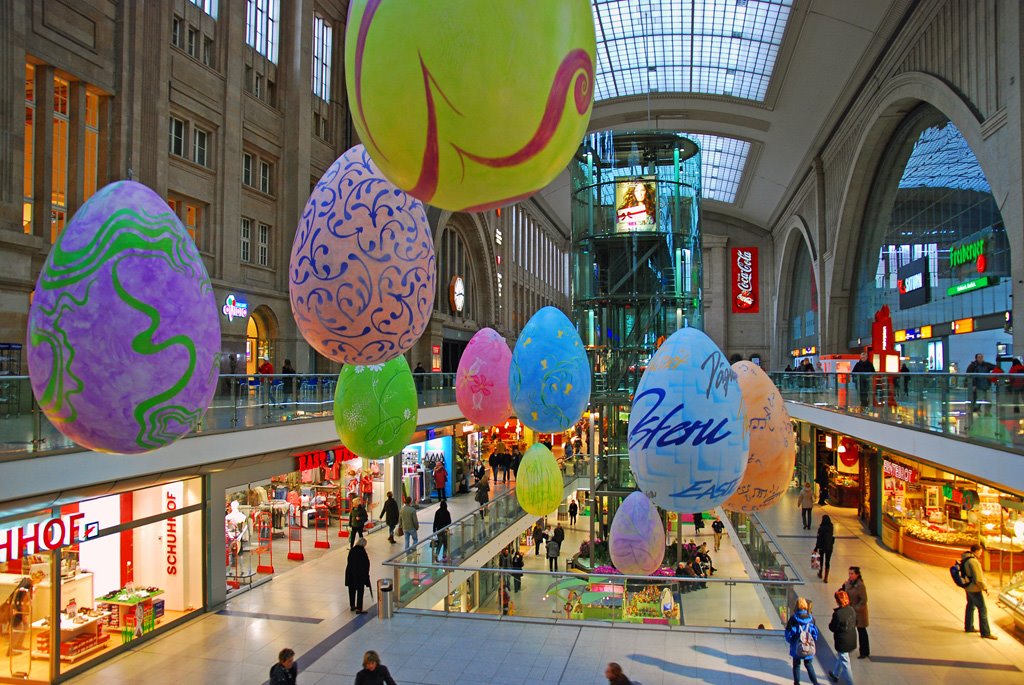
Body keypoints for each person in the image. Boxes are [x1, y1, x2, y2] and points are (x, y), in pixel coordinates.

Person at [962, 543, 998, 640]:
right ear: (976, 551)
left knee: (970, 606)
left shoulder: (966, 558)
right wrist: (985, 588)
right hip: (974, 588)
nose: (981, 554)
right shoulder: (974, 562)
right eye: (980, 552)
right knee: (982, 609)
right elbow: (978, 579)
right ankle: (985, 632)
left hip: (968, 587)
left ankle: (969, 626)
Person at [784, 597, 821, 685]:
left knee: (796, 665)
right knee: (809, 665)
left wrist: (791, 641)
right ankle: (815, 682)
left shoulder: (793, 619)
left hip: (796, 646)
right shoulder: (811, 619)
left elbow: (788, 634)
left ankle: (797, 683)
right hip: (808, 646)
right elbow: (815, 634)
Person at [827, 590, 857, 683]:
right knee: (842, 657)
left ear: (838, 601)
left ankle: (850, 682)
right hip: (851, 638)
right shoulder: (851, 609)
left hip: (842, 641)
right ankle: (836, 674)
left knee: (845, 663)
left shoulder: (838, 614)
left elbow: (832, 627)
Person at [842, 566, 870, 658]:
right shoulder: (848, 583)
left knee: (861, 631)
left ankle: (864, 652)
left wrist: (855, 609)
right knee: (849, 631)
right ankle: (848, 648)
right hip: (850, 611)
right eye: (849, 573)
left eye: (852, 573)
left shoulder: (860, 586)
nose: (850, 575)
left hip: (859, 613)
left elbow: (864, 600)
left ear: (857, 575)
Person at [344, 539, 371, 614]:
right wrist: (366, 576)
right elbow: (366, 564)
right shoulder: (362, 552)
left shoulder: (352, 550)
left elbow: (349, 560)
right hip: (359, 575)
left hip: (350, 573)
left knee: (351, 590)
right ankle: (359, 608)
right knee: (360, 591)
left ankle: (352, 605)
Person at [814, 515, 835, 583]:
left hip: (822, 546)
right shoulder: (831, 527)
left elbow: (819, 538)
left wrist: (816, 547)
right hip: (829, 546)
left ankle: (820, 573)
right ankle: (826, 577)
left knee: (821, 560)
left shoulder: (821, 528)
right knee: (827, 562)